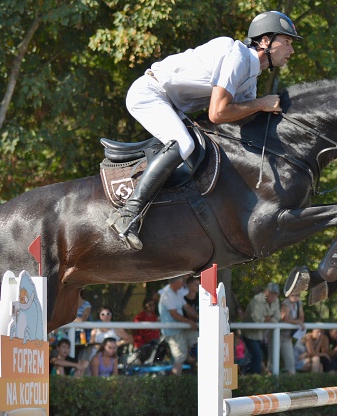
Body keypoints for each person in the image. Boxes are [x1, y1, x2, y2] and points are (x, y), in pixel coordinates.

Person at [113, 11, 302, 251]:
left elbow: (237, 124)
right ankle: (128, 214)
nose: (291, 49)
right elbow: (217, 113)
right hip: (150, 93)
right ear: (265, 40)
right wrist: (262, 103)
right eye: (286, 42)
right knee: (184, 144)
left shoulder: (251, 77)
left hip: (172, 106)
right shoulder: (237, 57)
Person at [159, 276, 199, 376]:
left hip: (180, 329)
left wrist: (201, 317)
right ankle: (174, 382)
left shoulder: (176, 293)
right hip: (172, 332)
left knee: (199, 335)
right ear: (175, 283)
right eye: (181, 282)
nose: (183, 284)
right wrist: (190, 322)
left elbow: (187, 307)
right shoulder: (167, 295)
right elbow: (174, 314)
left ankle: (189, 358)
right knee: (179, 358)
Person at [243, 282, 281, 374]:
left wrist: (266, 319)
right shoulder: (257, 300)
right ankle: (253, 379)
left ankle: (254, 378)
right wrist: (269, 318)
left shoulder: (276, 301)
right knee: (258, 356)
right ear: (266, 292)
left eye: (275, 294)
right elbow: (257, 319)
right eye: (271, 293)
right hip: (250, 334)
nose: (273, 296)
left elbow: (277, 318)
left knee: (262, 357)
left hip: (262, 336)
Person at [279, 291, 305, 374]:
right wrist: (297, 322)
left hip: (287, 337)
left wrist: (298, 321)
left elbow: (301, 318)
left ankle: (289, 380)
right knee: (273, 360)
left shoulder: (298, 303)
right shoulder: (285, 303)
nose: (295, 297)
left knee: (290, 361)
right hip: (278, 335)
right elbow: (284, 319)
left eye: (297, 295)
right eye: (293, 295)